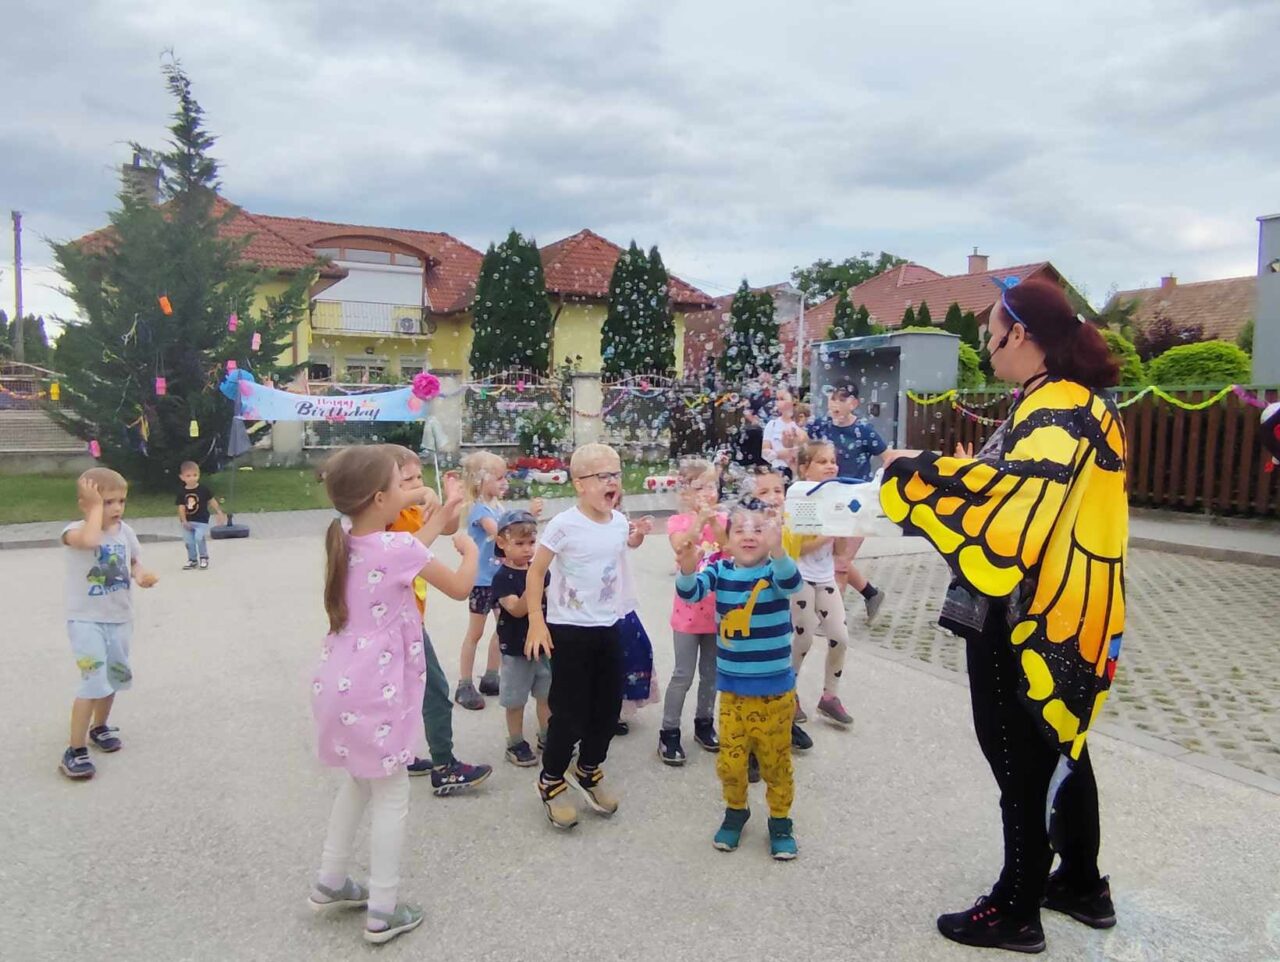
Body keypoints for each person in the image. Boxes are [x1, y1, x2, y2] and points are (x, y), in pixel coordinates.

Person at [879, 277, 1127, 954]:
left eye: (991, 332)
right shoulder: (1082, 404)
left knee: (1017, 757)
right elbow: (1025, 488)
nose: (986, 346)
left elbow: (1011, 515)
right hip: (1071, 614)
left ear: (1019, 334)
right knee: (1062, 744)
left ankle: (1016, 908)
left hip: (1021, 616)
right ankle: (1080, 882)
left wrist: (915, 471)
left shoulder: (1054, 410)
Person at [308, 445, 477, 944]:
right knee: (392, 792)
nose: (410, 492)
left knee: (359, 782)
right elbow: (459, 587)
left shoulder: (344, 535)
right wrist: (469, 550)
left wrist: (437, 514)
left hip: (338, 680)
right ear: (380, 498)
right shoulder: (397, 549)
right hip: (375, 691)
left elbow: (403, 552)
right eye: (401, 487)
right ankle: (382, 909)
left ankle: (331, 880)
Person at [674, 497, 803, 860]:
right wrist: (687, 567)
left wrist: (779, 550)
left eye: (758, 529)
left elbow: (792, 582)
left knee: (775, 760)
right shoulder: (719, 571)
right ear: (726, 540)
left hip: (776, 692)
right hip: (731, 690)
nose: (749, 535)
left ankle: (781, 822)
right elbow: (690, 592)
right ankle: (736, 811)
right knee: (731, 760)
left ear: (771, 537)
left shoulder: (774, 574)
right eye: (740, 529)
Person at [525, 443, 645, 829]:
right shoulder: (564, 525)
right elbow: (535, 571)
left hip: (608, 626)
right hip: (569, 629)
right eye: (603, 476)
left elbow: (625, 544)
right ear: (579, 484)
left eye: (617, 474)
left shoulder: (618, 521)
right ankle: (552, 778)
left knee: (609, 709)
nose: (613, 482)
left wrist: (638, 536)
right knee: (570, 713)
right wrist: (535, 620)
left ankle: (589, 769)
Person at [383, 446, 493, 795]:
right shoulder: (384, 523)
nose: (417, 485)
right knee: (434, 692)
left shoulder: (404, 510)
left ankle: (396, 754)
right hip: (400, 623)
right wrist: (472, 552)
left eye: (419, 477)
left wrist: (449, 502)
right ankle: (444, 766)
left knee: (399, 692)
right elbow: (451, 581)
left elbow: (441, 529)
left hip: (404, 617)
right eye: (408, 480)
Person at [58, 468, 159, 779]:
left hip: (119, 619)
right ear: (85, 504)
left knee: (114, 677)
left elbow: (132, 561)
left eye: (121, 501)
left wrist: (140, 574)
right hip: (86, 622)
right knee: (92, 679)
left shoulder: (125, 532)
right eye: (107, 501)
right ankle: (74, 751)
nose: (116, 508)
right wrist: (95, 509)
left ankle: (99, 727)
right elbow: (89, 539)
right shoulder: (73, 531)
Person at [454, 451, 542, 710]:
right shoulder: (479, 509)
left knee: (501, 628)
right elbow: (501, 532)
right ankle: (464, 683)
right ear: (481, 480)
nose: (505, 482)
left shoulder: (497, 506)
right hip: (481, 582)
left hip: (498, 579)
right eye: (500, 477)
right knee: (476, 632)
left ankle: (491, 676)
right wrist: (527, 515)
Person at [659, 457, 726, 765]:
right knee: (683, 674)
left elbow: (728, 547)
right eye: (701, 487)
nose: (709, 492)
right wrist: (699, 520)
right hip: (687, 614)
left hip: (718, 613)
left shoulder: (723, 521)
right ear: (685, 493)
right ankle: (669, 731)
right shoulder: (678, 523)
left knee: (710, 674)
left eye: (712, 485)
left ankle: (704, 722)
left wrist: (713, 521)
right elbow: (681, 546)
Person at [785, 440, 855, 728]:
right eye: (822, 461)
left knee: (840, 636)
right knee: (803, 637)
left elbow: (839, 552)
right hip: (800, 576)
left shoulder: (836, 497)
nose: (831, 466)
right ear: (805, 468)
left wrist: (845, 533)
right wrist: (831, 532)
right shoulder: (800, 496)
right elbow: (799, 548)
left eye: (833, 461)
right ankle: (787, 693)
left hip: (825, 578)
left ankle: (829, 697)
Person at [745, 466, 813, 756]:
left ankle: (783, 722)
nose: (773, 497)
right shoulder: (747, 528)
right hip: (751, 614)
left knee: (779, 668)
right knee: (752, 676)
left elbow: (815, 537)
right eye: (763, 492)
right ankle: (749, 742)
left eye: (778, 490)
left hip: (779, 611)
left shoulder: (791, 520)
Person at [806, 384, 887, 621]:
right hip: (827, 502)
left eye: (842, 400)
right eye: (832, 399)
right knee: (829, 557)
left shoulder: (865, 431)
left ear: (854, 404)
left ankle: (833, 619)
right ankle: (872, 594)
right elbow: (802, 449)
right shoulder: (820, 426)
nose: (835, 405)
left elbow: (887, 457)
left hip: (856, 505)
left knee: (839, 562)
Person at [491, 509, 552, 767]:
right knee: (515, 700)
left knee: (546, 695)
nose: (527, 550)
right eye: (519, 543)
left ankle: (547, 736)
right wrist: (533, 582)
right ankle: (515, 742)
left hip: (544, 647)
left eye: (531, 543)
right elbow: (516, 608)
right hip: (516, 649)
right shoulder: (502, 578)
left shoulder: (540, 572)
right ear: (502, 543)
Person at [614, 495, 657, 734]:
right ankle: (599, 709)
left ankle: (617, 708)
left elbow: (631, 542)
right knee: (603, 658)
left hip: (621, 601)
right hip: (597, 605)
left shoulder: (619, 520)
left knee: (634, 649)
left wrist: (639, 532)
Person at [175, 460, 226, 570]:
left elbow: (211, 500)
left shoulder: (203, 489)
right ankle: (192, 560)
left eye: (195, 475)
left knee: (199, 538)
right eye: (188, 476)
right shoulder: (181, 492)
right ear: (182, 477)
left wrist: (219, 512)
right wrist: (183, 520)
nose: (192, 478)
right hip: (188, 521)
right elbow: (181, 507)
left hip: (201, 520)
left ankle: (204, 557)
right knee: (189, 542)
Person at [761, 385, 806, 480]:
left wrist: (777, 454)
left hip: (796, 472)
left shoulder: (801, 423)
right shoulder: (772, 424)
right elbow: (765, 450)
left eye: (782, 399)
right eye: (777, 399)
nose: (778, 402)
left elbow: (801, 450)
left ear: (794, 400)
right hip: (777, 471)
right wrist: (770, 454)